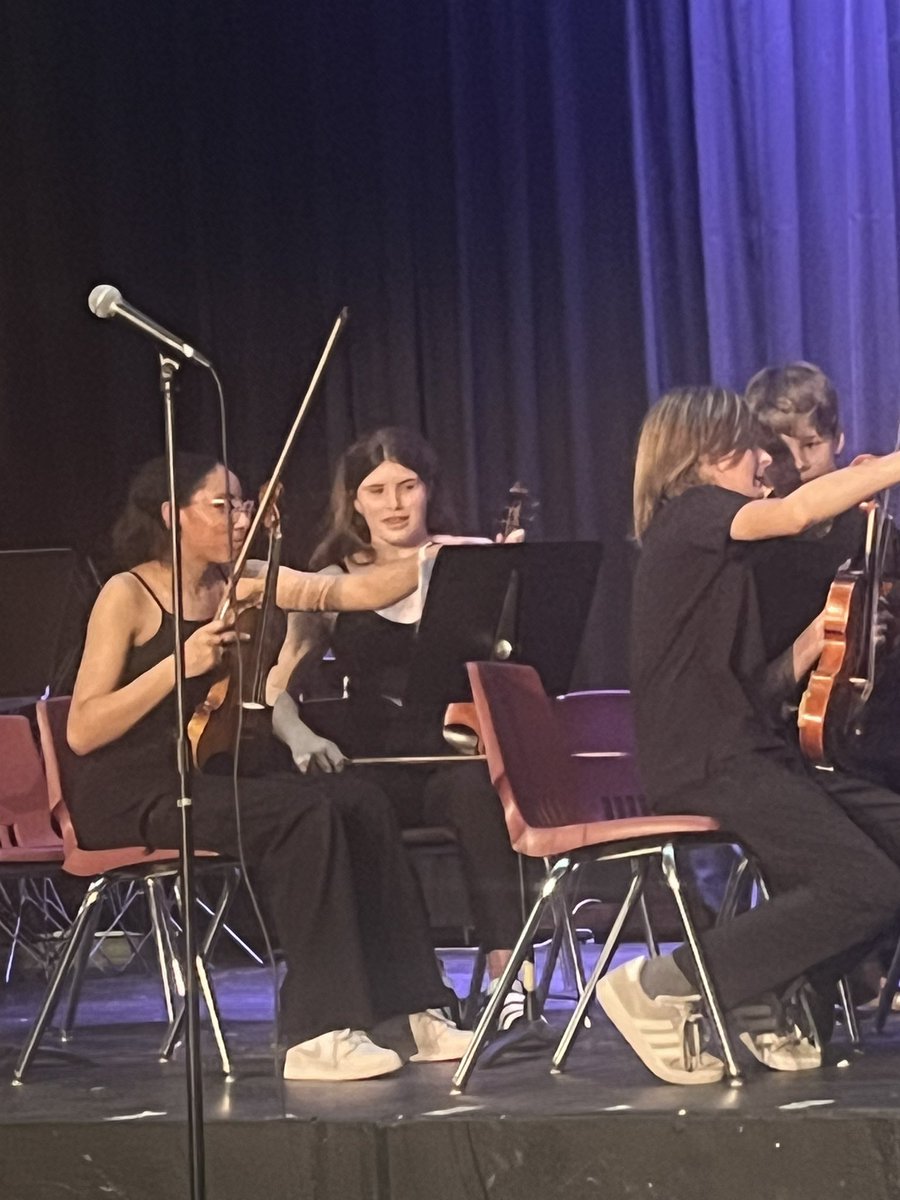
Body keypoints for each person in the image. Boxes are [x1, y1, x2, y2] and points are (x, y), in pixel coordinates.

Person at [66, 451, 473, 1082]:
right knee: (301, 815)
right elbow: (84, 729)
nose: (241, 516)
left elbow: (347, 590)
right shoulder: (129, 594)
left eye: (244, 504)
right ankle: (318, 1031)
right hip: (134, 789)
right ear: (175, 515)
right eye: (223, 505)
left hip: (213, 773)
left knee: (358, 799)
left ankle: (412, 1007)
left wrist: (436, 560)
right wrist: (179, 663)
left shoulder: (247, 576)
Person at [597, 385, 900, 1086]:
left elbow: (752, 691)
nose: (768, 461)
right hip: (709, 758)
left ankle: (767, 988)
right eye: (753, 447)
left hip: (741, 747)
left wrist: (817, 643)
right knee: (867, 885)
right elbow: (796, 511)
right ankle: (666, 983)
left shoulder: (713, 554)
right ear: (706, 456)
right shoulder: (694, 513)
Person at [268, 427, 526, 1027]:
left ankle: (510, 978)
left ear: (429, 491)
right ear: (353, 501)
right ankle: (417, 993)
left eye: (407, 486)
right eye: (376, 489)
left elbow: (516, 661)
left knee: (477, 791)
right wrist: (300, 735)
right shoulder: (332, 578)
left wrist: (507, 577)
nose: (393, 503)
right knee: (357, 810)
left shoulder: (467, 558)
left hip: (449, 749)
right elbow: (280, 681)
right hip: (374, 759)